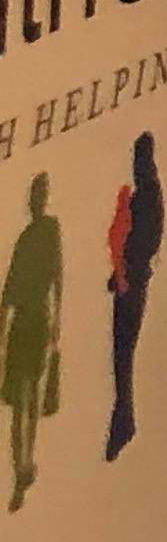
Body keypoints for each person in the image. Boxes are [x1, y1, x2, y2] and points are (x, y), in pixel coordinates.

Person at [3, 172, 57, 512]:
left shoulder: (44, 233)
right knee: (25, 400)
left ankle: (25, 463)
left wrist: (57, 320)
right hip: (29, 320)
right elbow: (10, 286)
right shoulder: (36, 235)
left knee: (28, 399)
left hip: (32, 319)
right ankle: (23, 466)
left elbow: (56, 275)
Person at [104, 133, 158, 462]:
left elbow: (137, 240)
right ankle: (124, 415)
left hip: (132, 282)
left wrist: (125, 273)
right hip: (130, 279)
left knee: (124, 353)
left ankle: (124, 417)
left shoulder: (145, 197)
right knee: (122, 355)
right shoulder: (146, 195)